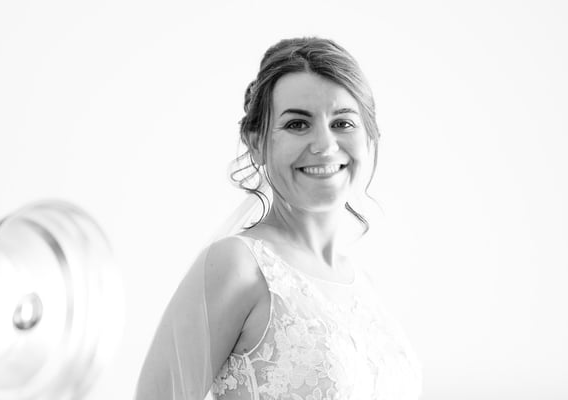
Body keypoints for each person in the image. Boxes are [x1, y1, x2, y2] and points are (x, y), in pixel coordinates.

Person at [135, 37, 422, 400]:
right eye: (298, 124)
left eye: (343, 123)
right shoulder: (237, 266)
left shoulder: (366, 287)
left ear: (370, 137)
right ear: (256, 143)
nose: (325, 145)